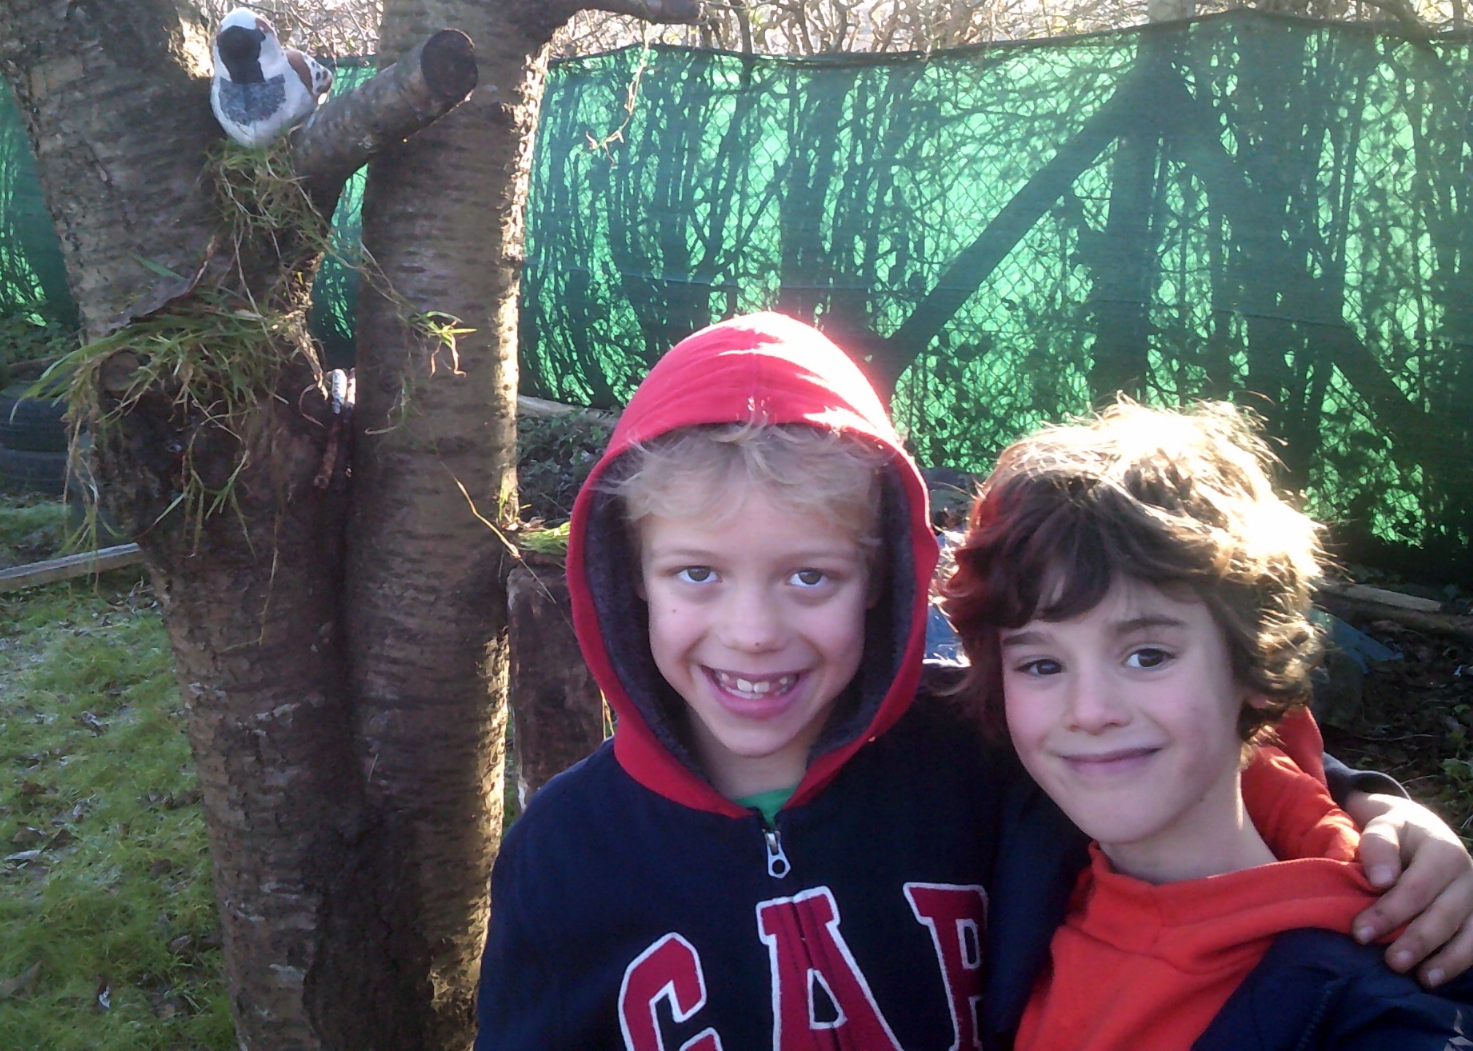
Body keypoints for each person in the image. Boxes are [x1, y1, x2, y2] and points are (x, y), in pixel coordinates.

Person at [476, 314, 1473, 1050]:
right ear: (628, 581)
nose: (753, 633)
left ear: (884, 581)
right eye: (697, 573)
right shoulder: (562, 855)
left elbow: (1186, 758)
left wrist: (1379, 816)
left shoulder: (977, 753)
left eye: (810, 577)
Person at [941, 400, 1473, 1050]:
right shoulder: (1022, 845)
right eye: (1042, 664)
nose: (1089, 711)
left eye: (1148, 656)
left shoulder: (1375, 1000)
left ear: (1253, 662)